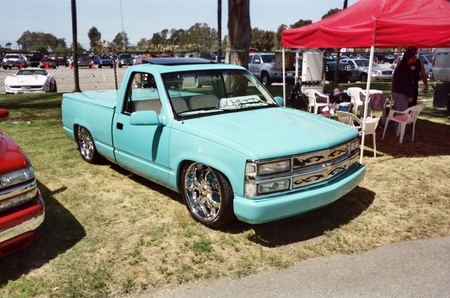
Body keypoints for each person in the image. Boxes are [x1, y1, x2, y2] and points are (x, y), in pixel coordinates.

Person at [391, 51, 417, 133]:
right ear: (410, 59)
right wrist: (409, 95)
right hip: (401, 93)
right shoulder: (405, 69)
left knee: (396, 110)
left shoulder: (400, 67)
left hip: (396, 91)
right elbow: (404, 84)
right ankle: (398, 130)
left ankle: (393, 127)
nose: (414, 59)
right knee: (401, 112)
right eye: (413, 58)